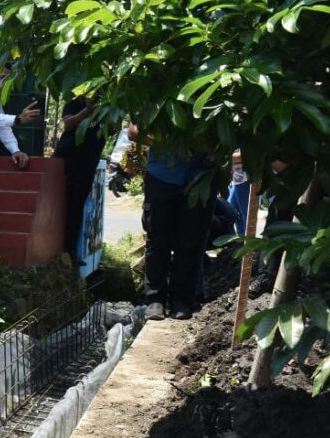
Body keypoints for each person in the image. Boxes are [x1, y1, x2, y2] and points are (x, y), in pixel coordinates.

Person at [129, 122, 215, 321]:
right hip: (162, 176)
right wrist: (169, 141)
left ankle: (181, 299)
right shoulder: (155, 99)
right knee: (158, 240)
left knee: (191, 241)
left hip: (200, 177)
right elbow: (134, 131)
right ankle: (154, 300)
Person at [54, 97, 109, 264]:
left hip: (88, 164)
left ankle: (70, 250)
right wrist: (87, 111)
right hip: (67, 160)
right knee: (59, 203)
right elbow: (68, 124)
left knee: (77, 207)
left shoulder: (107, 107)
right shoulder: (74, 104)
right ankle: (60, 250)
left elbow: (113, 129)